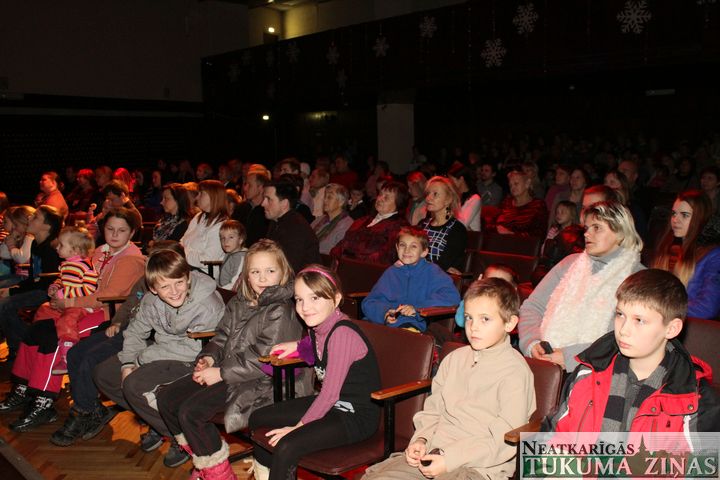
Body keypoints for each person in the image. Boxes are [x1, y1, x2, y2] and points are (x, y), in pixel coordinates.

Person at [156, 240, 308, 479]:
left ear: (283, 272)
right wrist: (208, 357)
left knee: (190, 412)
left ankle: (219, 474)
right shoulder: (240, 301)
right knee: (167, 398)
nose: (262, 278)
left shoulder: (281, 309)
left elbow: (263, 358)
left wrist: (219, 373)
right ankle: (209, 464)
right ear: (246, 275)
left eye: (270, 271)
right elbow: (221, 337)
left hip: (265, 382)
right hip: (233, 373)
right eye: (255, 272)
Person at [363, 278, 536, 480]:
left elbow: (504, 441)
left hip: (479, 467)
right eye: (469, 318)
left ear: (510, 323)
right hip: (433, 452)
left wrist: (449, 459)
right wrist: (421, 440)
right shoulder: (455, 359)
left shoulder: (515, 372)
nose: (473, 327)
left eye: (485, 319)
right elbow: (434, 410)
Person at [0, 208, 145, 431]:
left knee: (53, 336)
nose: (115, 234)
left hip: (107, 313)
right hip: (79, 306)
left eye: (122, 230)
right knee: (36, 331)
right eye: (110, 229)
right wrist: (58, 287)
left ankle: (44, 400)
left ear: (132, 232)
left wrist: (68, 302)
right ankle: (23, 387)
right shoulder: (100, 250)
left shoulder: (131, 260)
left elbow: (106, 297)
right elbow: (75, 275)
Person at [544, 269, 720, 433]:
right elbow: (554, 434)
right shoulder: (588, 371)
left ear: (671, 329)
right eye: (620, 314)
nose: (623, 330)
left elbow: (703, 457)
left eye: (639, 320)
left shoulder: (695, 398)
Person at [93, 249, 224, 467]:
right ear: (153, 288)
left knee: (133, 385)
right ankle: (157, 422)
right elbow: (135, 332)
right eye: (165, 287)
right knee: (104, 374)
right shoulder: (151, 301)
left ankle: (181, 437)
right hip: (161, 352)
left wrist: (142, 359)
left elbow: (197, 350)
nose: (174, 291)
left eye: (179, 282)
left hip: (195, 361)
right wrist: (127, 363)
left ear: (187, 278)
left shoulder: (207, 303)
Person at [249, 264, 381, 480]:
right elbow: (316, 346)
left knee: (286, 445)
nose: (305, 307)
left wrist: (297, 427)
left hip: (355, 415)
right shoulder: (317, 327)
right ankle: (266, 474)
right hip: (331, 405)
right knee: (258, 418)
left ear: (336, 299)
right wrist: (296, 345)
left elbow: (329, 394)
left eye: (315, 298)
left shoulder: (343, 334)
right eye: (299, 299)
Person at [48, 241, 182, 447]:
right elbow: (129, 304)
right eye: (149, 260)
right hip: (127, 327)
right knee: (75, 353)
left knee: (91, 359)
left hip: (144, 335)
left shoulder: (173, 288)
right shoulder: (145, 281)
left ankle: (84, 411)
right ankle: (92, 408)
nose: (149, 264)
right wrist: (117, 322)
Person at [519, 201, 645, 372]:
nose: (587, 234)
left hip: (600, 373)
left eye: (597, 228)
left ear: (620, 233)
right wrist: (532, 343)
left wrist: (571, 357)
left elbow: (622, 335)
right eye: (586, 228)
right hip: (545, 363)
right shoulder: (569, 263)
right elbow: (533, 307)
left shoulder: (638, 278)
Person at [361, 227, 461, 332]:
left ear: (424, 252)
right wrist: (384, 313)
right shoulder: (392, 272)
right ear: (397, 248)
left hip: (411, 324)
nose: (406, 250)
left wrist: (416, 308)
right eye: (402, 245)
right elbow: (370, 302)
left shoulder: (433, 272)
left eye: (413, 246)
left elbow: (452, 297)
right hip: (382, 323)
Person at [32, 226, 99, 375]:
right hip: (65, 303)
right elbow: (63, 280)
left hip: (80, 305)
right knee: (44, 309)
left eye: (61, 245)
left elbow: (89, 289)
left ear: (75, 250)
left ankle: (67, 356)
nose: (57, 247)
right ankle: (40, 337)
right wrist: (55, 286)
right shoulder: (66, 265)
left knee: (67, 321)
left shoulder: (85, 267)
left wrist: (64, 293)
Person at [0, 206, 62, 359]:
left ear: (46, 226)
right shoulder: (36, 244)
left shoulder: (51, 249)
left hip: (48, 292)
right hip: (38, 286)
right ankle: (18, 345)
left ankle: (26, 343)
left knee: (5, 304)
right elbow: (33, 278)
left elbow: (45, 282)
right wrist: (14, 288)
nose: (29, 218)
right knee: (4, 299)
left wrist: (13, 291)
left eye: (35, 217)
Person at [651, 190, 720, 319]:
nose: (675, 220)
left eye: (685, 215)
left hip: (689, 326)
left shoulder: (713, 255)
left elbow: (707, 308)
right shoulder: (668, 247)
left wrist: (657, 308)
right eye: (674, 213)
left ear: (700, 219)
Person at [331, 181, 410, 264]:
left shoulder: (399, 228)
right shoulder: (362, 220)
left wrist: (349, 259)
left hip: (365, 269)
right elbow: (341, 245)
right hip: (343, 265)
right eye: (380, 194)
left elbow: (384, 257)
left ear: (398, 204)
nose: (380, 199)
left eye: (386, 197)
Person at [263, 178, 321, 273]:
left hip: (302, 280)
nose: (263, 204)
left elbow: (288, 269)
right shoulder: (276, 221)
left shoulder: (296, 228)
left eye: (268, 199)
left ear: (284, 204)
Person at [418, 176, 467, 273]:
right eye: (428, 193)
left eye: (435, 194)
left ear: (448, 199)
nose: (428, 198)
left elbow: (443, 265)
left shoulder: (457, 230)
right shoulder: (422, 224)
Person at [181, 179, 228, 275]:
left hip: (205, 274)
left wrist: (184, 252)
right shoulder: (199, 217)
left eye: (201, 193)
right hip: (189, 267)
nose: (197, 197)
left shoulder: (222, 225)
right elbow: (183, 240)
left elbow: (206, 260)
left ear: (213, 196)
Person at [494, 171, 548, 237]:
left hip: (523, 242)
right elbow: (495, 223)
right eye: (510, 185)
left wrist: (511, 234)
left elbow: (539, 234)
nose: (513, 187)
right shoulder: (506, 203)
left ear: (527, 184)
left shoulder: (537, 205)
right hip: (500, 240)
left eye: (516, 184)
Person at [311, 183, 354, 255]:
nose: (325, 200)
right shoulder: (320, 219)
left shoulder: (347, 225)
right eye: (325, 196)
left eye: (329, 197)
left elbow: (336, 251)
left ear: (341, 202)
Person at [234, 168, 271, 247]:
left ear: (261, 188)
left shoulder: (268, 212)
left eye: (249, 185)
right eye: (245, 184)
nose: (245, 188)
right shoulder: (241, 208)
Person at [0, 205, 35, 287]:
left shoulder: (29, 237)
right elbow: (3, 254)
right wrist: (10, 240)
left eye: (16, 225)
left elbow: (21, 259)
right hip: (19, 275)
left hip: (26, 277)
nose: (14, 228)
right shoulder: (20, 237)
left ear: (25, 224)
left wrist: (12, 246)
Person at [447, 164, 482, 232]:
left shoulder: (475, 198)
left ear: (461, 179)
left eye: (451, 180)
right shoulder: (455, 196)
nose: (449, 183)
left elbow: (462, 225)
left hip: (471, 237)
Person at [217, 219, 247, 290]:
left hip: (229, 292)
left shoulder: (240, 258)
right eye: (223, 238)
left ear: (240, 240)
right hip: (222, 288)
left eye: (231, 237)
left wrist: (221, 290)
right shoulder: (229, 254)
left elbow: (235, 283)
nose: (226, 241)